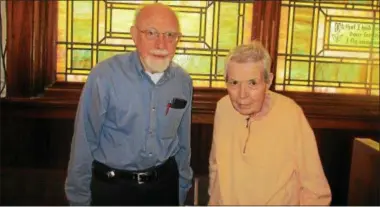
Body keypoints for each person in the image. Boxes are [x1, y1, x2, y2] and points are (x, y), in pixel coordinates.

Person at [65, 3, 193, 206]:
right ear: (134, 35)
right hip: (113, 190)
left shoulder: (183, 81)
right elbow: (84, 142)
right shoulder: (104, 76)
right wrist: (78, 199)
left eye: (170, 35)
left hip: (164, 188)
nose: (162, 43)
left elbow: (183, 143)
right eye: (151, 33)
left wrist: (182, 189)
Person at [208, 41, 331, 205]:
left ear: (268, 81)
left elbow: (316, 191)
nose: (242, 95)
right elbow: (216, 169)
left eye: (252, 83)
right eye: (234, 83)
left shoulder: (290, 114)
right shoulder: (223, 108)